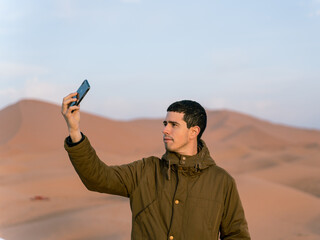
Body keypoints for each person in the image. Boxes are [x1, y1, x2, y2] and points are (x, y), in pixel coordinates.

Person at [62, 92, 251, 240]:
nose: (165, 129)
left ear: (194, 131)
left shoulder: (221, 182)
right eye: (165, 123)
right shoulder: (144, 171)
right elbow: (98, 178)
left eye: (174, 125)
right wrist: (74, 131)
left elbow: (236, 235)